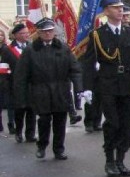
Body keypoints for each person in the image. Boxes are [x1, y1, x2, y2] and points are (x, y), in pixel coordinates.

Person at [80, 0, 130, 177]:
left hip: (127, 83)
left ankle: (121, 159)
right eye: (116, 8)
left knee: (127, 123)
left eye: (121, 7)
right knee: (113, 123)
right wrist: (88, 87)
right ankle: (110, 159)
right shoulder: (98, 36)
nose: (120, 10)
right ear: (106, 11)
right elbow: (89, 62)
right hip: (107, 84)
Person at [13, 18, 83, 160]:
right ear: (38, 32)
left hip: (60, 90)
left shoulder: (63, 48)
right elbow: (21, 76)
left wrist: (79, 89)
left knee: (60, 121)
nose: (48, 34)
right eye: (44, 31)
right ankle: (42, 145)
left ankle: (59, 149)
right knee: (44, 121)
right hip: (41, 91)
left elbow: (74, 69)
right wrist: (21, 97)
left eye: (50, 31)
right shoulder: (30, 50)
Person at [4, 23, 37, 142]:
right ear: (16, 35)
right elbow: (4, 69)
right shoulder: (8, 50)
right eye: (23, 33)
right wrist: (7, 86)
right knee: (19, 110)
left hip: (31, 85)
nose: (26, 35)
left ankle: (30, 134)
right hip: (16, 85)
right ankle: (18, 132)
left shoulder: (32, 47)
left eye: (27, 33)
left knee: (31, 111)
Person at [0, 28, 12, 133]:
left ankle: (10, 124)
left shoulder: (6, 48)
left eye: (1, 35)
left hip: (3, 76)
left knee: (7, 102)